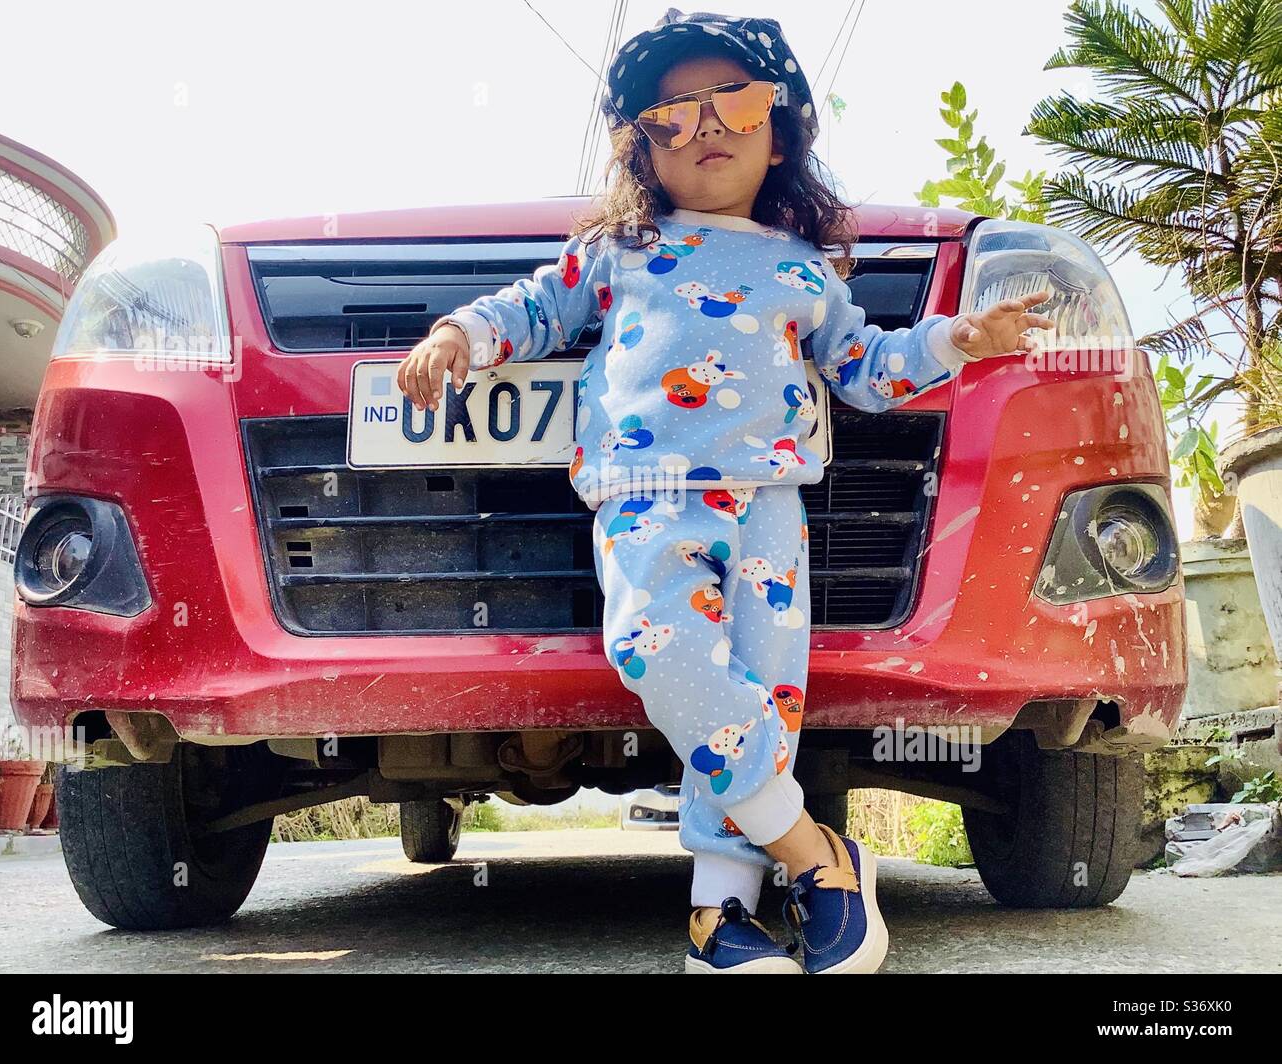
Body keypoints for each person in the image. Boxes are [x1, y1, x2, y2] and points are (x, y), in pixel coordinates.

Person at [397, 9, 1052, 974]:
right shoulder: (617, 250)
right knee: (664, 660)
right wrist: (462, 334)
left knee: (763, 699)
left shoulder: (801, 268)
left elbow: (867, 369)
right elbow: (533, 307)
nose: (705, 123)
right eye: (673, 112)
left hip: (773, 507)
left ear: (778, 131)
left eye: (733, 102)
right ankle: (815, 854)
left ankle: (722, 916)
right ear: (643, 148)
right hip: (650, 492)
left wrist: (957, 339)